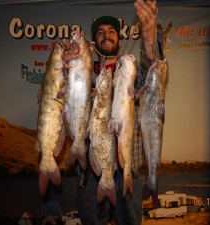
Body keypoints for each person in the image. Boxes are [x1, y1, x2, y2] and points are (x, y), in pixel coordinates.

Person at [61, 0, 162, 224]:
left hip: (128, 171)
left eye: (111, 31)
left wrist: (148, 38)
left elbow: (152, 72)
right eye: (100, 32)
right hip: (91, 173)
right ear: (94, 41)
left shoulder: (130, 72)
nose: (106, 35)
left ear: (119, 39)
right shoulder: (84, 73)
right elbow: (57, 100)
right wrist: (63, 71)